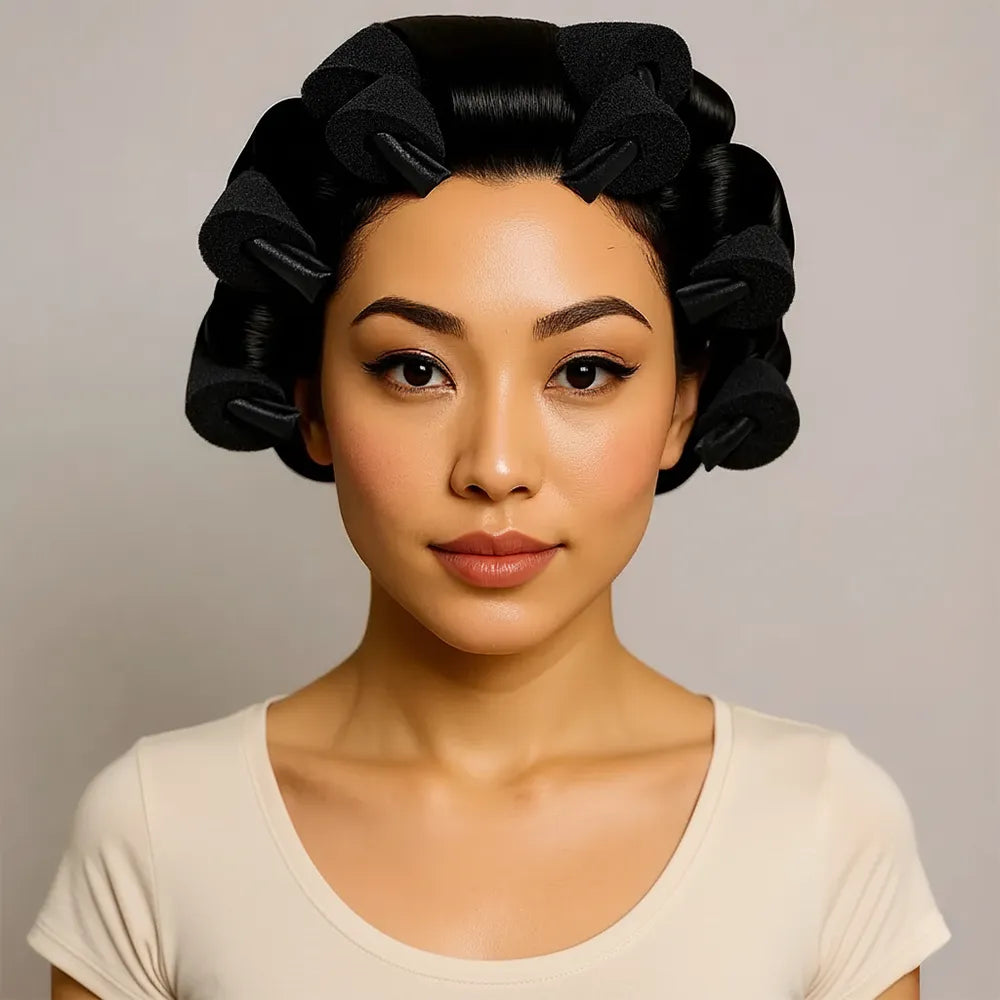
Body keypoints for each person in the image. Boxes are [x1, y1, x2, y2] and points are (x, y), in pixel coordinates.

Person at [27, 15, 951, 999]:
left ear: (682, 404)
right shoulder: (159, 832)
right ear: (311, 402)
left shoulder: (819, 825)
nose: (495, 465)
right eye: (414, 368)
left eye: (585, 370)